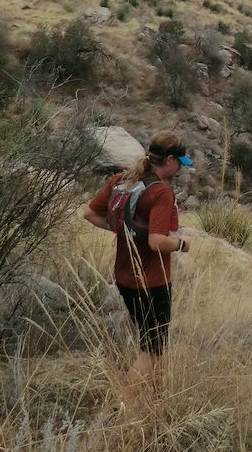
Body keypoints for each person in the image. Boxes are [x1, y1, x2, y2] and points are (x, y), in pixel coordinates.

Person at [84, 130, 193, 384]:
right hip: (152, 281)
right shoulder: (161, 192)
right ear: (168, 159)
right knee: (152, 349)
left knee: (152, 343)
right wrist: (182, 245)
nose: (180, 169)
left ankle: (154, 401)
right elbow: (157, 242)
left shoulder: (122, 180)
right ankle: (119, 409)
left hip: (124, 277)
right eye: (179, 163)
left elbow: (89, 214)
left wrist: (125, 230)